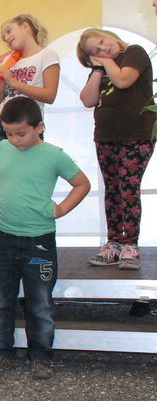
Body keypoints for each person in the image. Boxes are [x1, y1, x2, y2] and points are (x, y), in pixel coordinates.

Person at [0, 97, 90, 379]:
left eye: (21, 133)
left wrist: (61, 209)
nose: (14, 140)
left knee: (40, 303)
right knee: (0, 300)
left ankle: (41, 356)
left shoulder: (54, 155)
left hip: (39, 240)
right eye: (9, 133)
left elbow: (82, 183)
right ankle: (0, 352)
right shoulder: (1, 149)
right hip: (3, 238)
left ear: (39, 127)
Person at [78, 28, 155, 270]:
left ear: (109, 35)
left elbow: (123, 80)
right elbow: (88, 100)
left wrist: (106, 61)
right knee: (112, 189)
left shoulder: (133, 53)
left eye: (102, 41)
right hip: (106, 135)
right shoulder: (101, 68)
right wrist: (97, 69)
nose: (104, 49)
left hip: (137, 134)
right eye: (96, 51)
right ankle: (114, 244)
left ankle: (130, 245)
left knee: (128, 186)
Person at [0, 13, 60, 120]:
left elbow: (50, 96)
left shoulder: (47, 54)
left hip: (29, 122)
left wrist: (13, 82)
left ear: (25, 27)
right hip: (4, 122)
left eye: (9, 31)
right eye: (4, 38)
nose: (7, 38)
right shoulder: (7, 61)